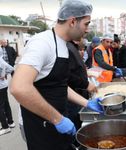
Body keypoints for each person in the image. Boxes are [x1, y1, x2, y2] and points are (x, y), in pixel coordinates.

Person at [10, 1, 103, 150]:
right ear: (73, 21)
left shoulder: (63, 45)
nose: (87, 30)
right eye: (86, 24)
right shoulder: (42, 43)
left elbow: (58, 84)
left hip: (57, 122)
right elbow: (19, 88)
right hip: (41, 127)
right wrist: (58, 119)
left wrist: (86, 104)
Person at [0, 47, 15, 136]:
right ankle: (10, 122)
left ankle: (5, 127)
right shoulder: (2, 61)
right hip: (4, 86)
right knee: (5, 104)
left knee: (0, 107)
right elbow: (12, 69)